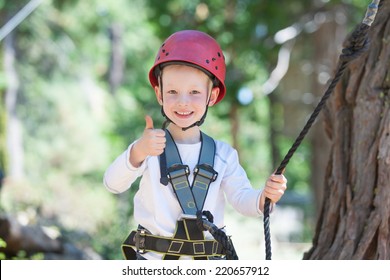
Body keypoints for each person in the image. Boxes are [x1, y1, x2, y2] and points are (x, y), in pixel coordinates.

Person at [103, 30, 287, 260]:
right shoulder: (148, 149)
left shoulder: (223, 155)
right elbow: (112, 183)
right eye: (172, 91)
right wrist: (137, 151)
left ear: (212, 95)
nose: (183, 101)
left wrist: (265, 197)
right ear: (158, 93)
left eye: (194, 92)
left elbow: (242, 200)